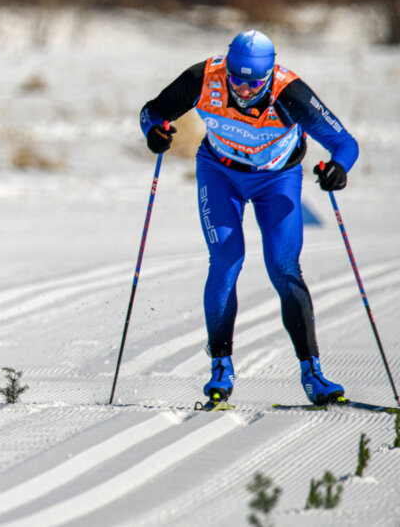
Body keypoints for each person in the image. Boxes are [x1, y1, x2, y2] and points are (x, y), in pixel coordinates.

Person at [139, 29, 359, 406]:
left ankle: (312, 373)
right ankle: (220, 369)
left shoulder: (291, 93)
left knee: (284, 267)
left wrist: (338, 168)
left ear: (269, 74)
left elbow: (345, 143)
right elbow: (152, 111)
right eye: (236, 80)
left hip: (277, 179)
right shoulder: (203, 78)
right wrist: (154, 132)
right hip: (219, 172)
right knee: (226, 259)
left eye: (253, 82)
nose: (243, 89)